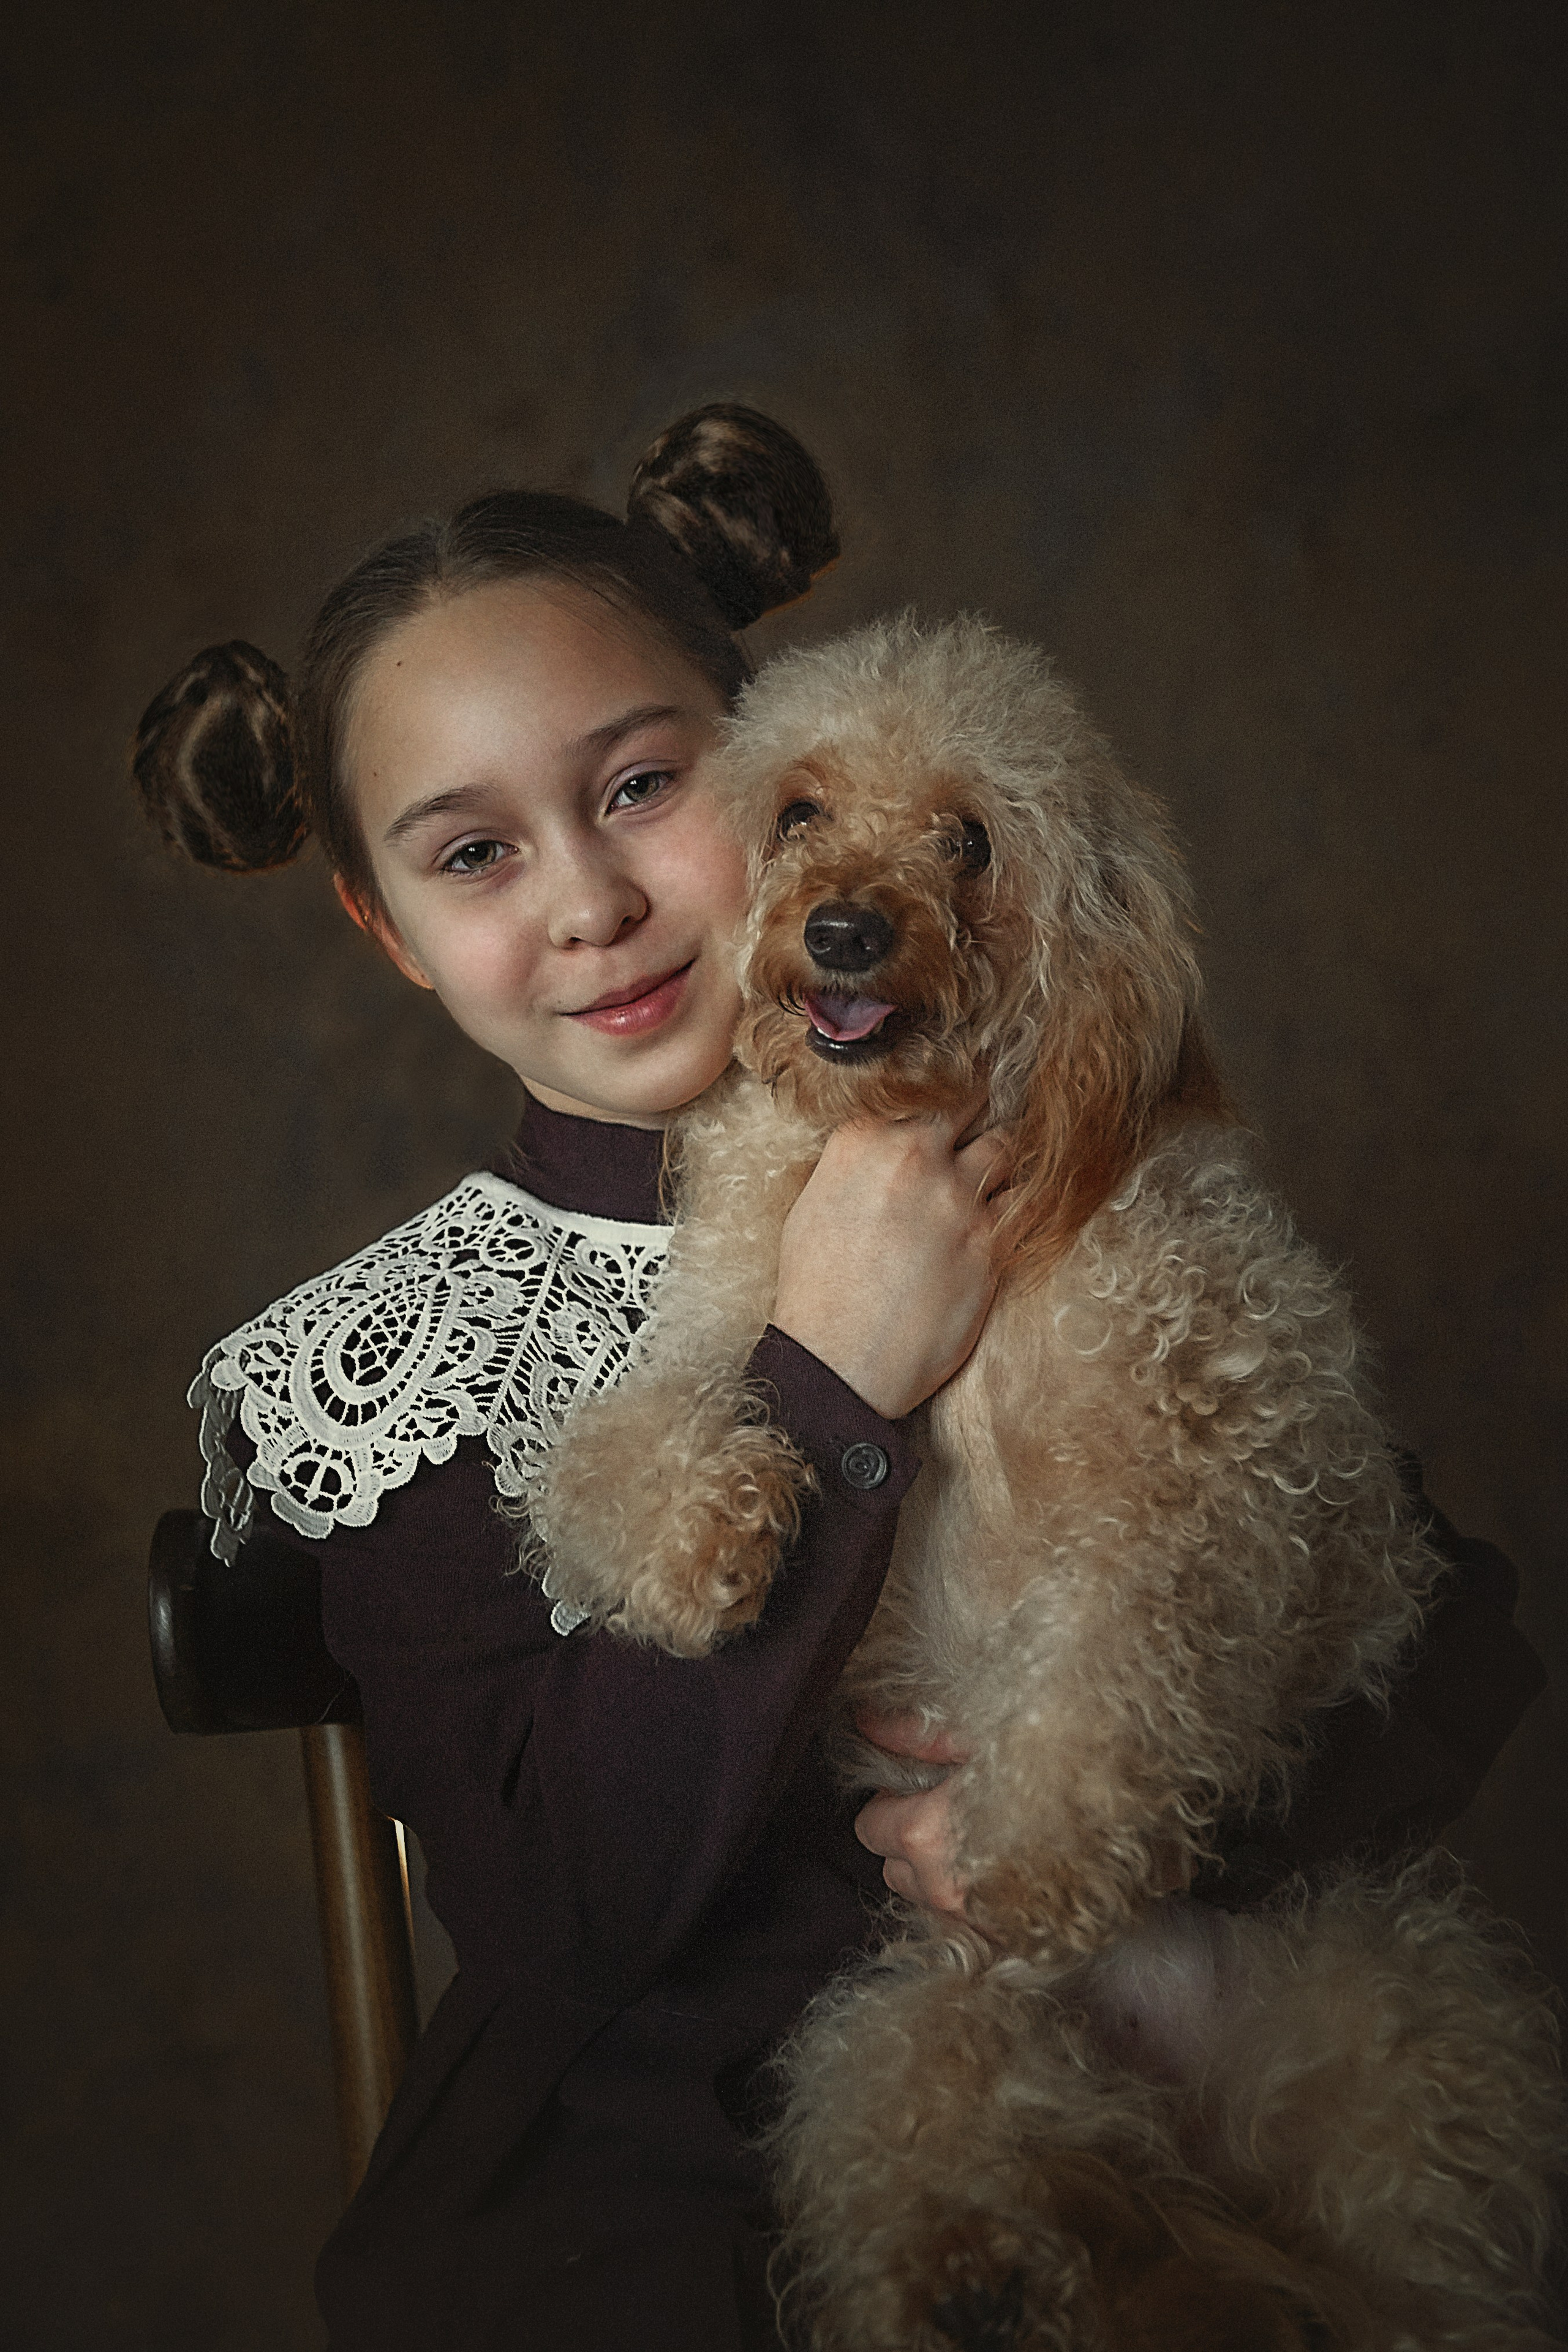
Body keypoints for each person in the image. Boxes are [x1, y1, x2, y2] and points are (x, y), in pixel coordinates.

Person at [134, 405, 1545, 2351]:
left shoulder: (1053, 1134)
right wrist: (828, 1378)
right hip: (665, 2208)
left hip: (1205, 2069)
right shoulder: (400, 1361)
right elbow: (562, 1921)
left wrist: (1133, 1825)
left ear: (777, 746)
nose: (590, 903)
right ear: (389, 931)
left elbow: (1455, 1629)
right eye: (472, 852)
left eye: (644, 788)